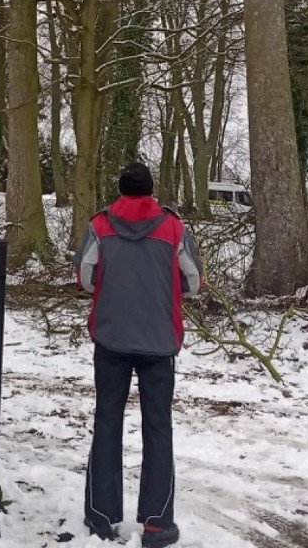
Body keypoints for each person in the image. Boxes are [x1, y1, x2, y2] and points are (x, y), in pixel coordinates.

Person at [75, 162, 203, 547]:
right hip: (159, 341)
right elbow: (193, 281)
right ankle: (157, 523)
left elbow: (84, 276)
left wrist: (111, 282)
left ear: (120, 190)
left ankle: (101, 516)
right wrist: (167, 285)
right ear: (151, 191)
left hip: (111, 339)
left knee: (107, 421)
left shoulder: (100, 226)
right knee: (158, 428)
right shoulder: (174, 228)